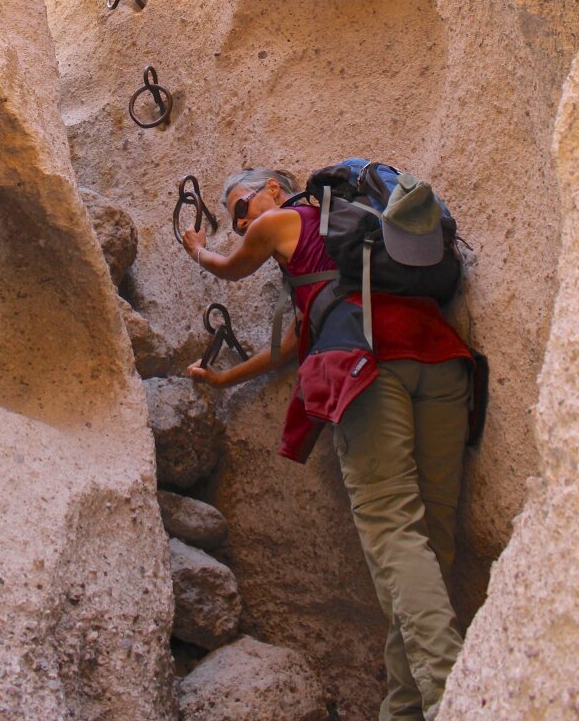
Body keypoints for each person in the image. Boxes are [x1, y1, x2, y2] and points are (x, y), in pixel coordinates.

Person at [182, 166, 472, 721]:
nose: (240, 223)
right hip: (441, 362)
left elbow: (228, 266)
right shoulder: (341, 248)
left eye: (241, 209)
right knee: (427, 546)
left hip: (370, 369)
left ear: (273, 187)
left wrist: (199, 247)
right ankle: (405, 707)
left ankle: (448, 700)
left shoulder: (286, 220)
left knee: (394, 534)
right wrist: (225, 379)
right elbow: (293, 345)